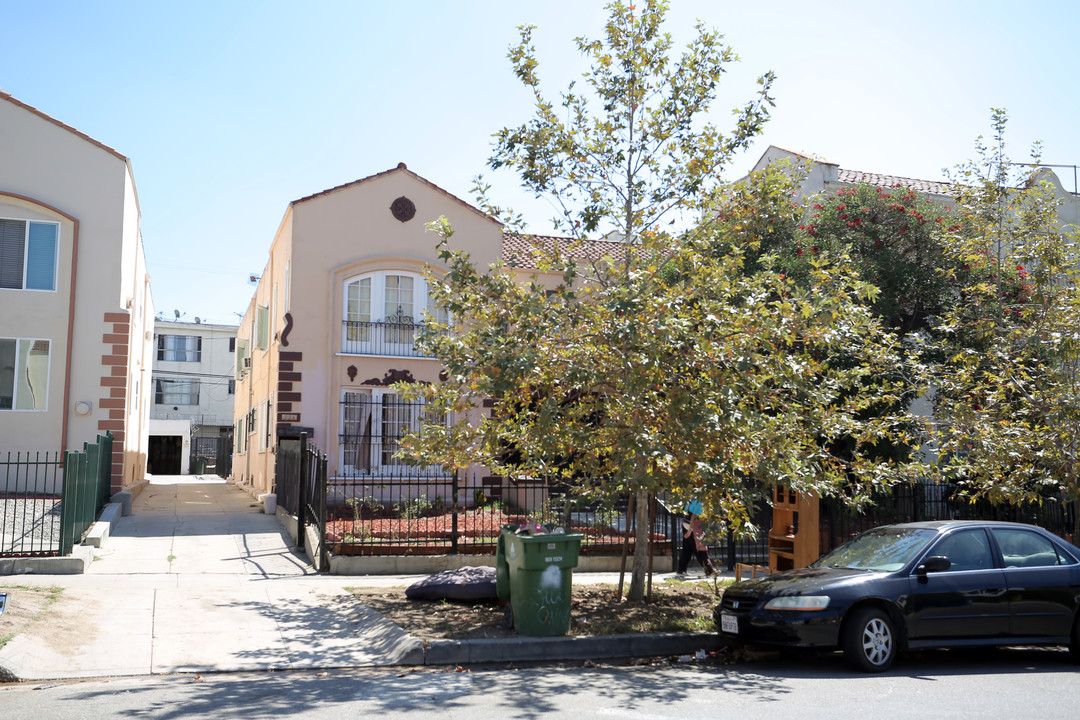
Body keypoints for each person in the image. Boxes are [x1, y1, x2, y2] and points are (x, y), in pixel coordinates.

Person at [677, 500, 716, 577]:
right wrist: (690, 530)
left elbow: (684, 512)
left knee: (687, 549)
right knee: (700, 549)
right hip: (694, 527)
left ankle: (681, 570)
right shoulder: (700, 502)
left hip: (685, 524)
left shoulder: (691, 500)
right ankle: (709, 571)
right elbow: (694, 516)